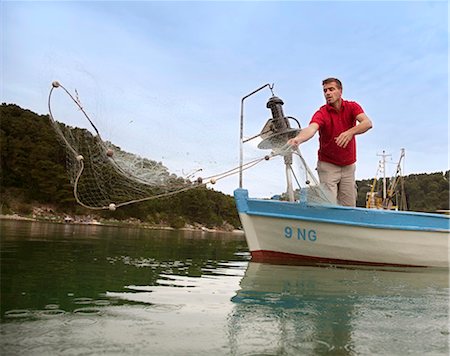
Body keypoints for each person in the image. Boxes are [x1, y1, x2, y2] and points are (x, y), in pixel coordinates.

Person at [288, 78, 372, 206]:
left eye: (331, 89)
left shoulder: (352, 106)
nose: (327, 93)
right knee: (329, 205)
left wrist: (350, 132)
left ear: (340, 91)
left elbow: (367, 123)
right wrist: (298, 139)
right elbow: (312, 128)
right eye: (325, 90)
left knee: (349, 206)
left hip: (349, 166)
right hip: (328, 165)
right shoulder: (322, 113)